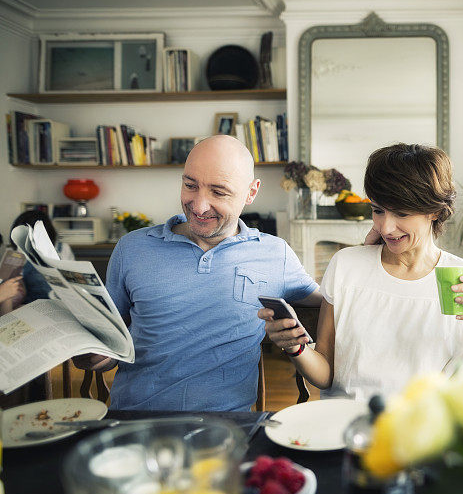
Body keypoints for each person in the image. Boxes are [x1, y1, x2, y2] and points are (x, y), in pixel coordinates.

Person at [74, 135, 319, 411]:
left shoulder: (275, 254)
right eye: (190, 185)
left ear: (251, 192)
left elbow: (332, 302)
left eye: (219, 192)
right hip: (135, 420)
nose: (199, 206)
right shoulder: (131, 248)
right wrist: (93, 357)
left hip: (226, 427)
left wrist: (374, 253)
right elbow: (109, 345)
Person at [262, 143, 463, 401]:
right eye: (377, 210)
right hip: (346, 423)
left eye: (401, 213)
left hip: (422, 429)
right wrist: (296, 348)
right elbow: (326, 374)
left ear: (436, 211)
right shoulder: (346, 266)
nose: (386, 227)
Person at [9, 210, 75, 304]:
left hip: (62, 302)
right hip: (32, 304)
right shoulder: (15, 253)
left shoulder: (62, 248)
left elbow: (72, 279)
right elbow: (9, 289)